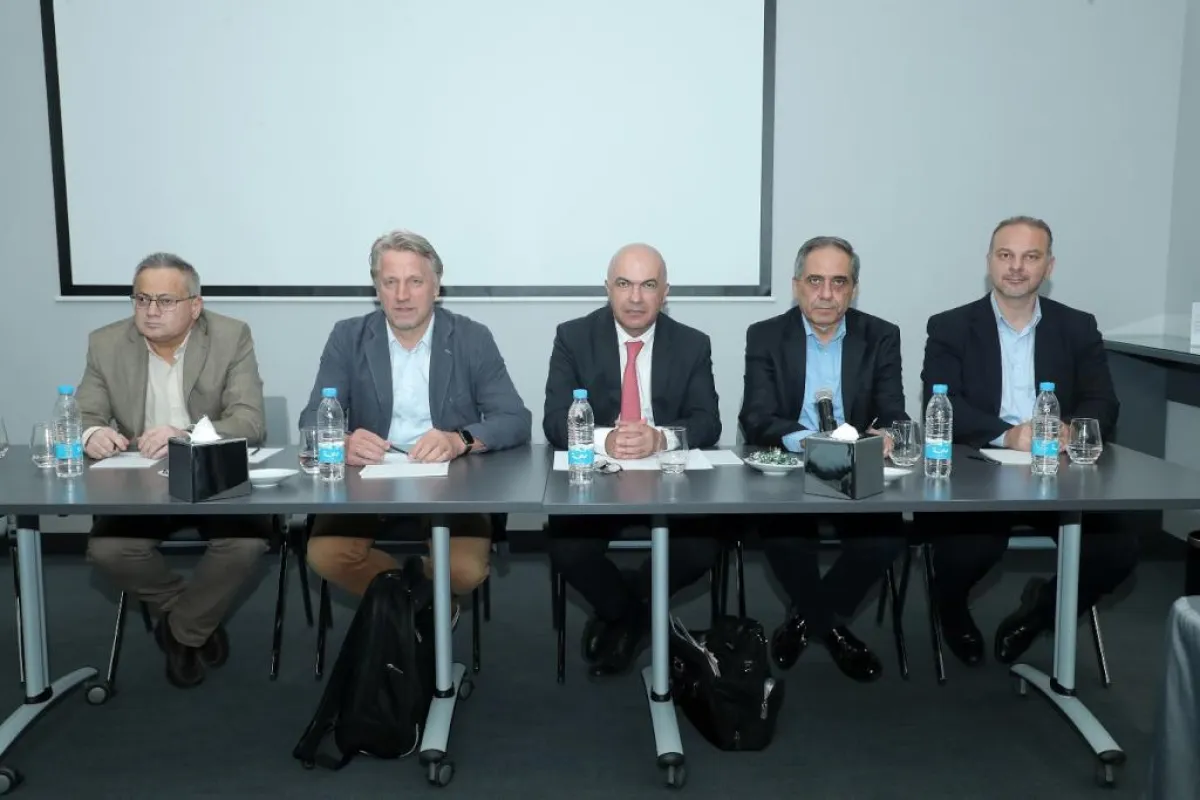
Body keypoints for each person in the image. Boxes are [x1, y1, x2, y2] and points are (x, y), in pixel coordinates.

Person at [919, 216, 1137, 666]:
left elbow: (1103, 401)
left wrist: (1070, 430)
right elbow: (943, 402)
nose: (1016, 267)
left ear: (1048, 266)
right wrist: (1009, 434)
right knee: (969, 548)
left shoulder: (1077, 326)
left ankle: (1039, 613)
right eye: (1006, 255)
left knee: (1117, 550)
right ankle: (951, 606)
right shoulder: (950, 326)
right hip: (979, 470)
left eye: (1030, 256)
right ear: (989, 262)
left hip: (1058, 474)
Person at [303, 229, 531, 612]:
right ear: (377, 288)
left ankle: (406, 605)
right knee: (327, 555)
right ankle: (421, 604)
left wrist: (459, 439)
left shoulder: (471, 337)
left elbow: (515, 419)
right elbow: (313, 417)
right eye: (390, 282)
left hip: (452, 482)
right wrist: (341, 442)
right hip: (367, 482)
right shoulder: (348, 337)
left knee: (464, 571)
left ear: (436, 287)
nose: (402, 295)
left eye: (415, 282)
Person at [79, 252, 270, 689]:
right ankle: (191, 617)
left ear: (194, 306)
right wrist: (92, 433)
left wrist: (184, 434)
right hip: (140, 481)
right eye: (141, 299)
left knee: (245, 544)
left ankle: (180, 631)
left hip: (211, 475)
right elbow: (85, 413)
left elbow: (249, 422)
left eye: (165, 301)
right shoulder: (105, 343)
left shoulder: (231, 336)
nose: (151, 311)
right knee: (109, 550)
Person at [543, 243, 722, 677]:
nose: (636, 298)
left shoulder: (692, 344)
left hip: (669, 480)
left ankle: (623, 611)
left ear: (665, 292)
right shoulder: (573, 337)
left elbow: (708, 422)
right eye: (624, 284)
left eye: (648, 285)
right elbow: (554, 421)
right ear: (608, 288)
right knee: (568, 549)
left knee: (701, 549)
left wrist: (660, 438)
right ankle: (637, 618)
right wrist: (605, 439)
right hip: (598, 479)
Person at [740, 236, 907, 683]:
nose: (826, 294)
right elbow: (756, 417)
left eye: (839, 282)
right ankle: (832, 630)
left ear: (854, 289)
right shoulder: (766, 335)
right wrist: (811, 442)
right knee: (784, 536)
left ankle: (806, 620)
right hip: (790, 466)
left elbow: (894, 413)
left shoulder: (880, 335)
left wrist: (888, 435)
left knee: (885, 538)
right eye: (815, 281)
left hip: (857, 468)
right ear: (797, 285)